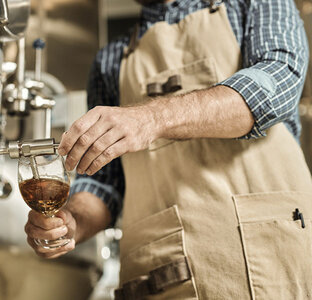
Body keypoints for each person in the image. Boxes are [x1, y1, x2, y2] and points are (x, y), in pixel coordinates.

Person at [25, 0, 312, 298]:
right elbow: (104, 182)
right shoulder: (109, 61)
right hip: (164, 273)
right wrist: (72, 221)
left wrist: (151, 118)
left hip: (268, 257)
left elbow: (277, 82)